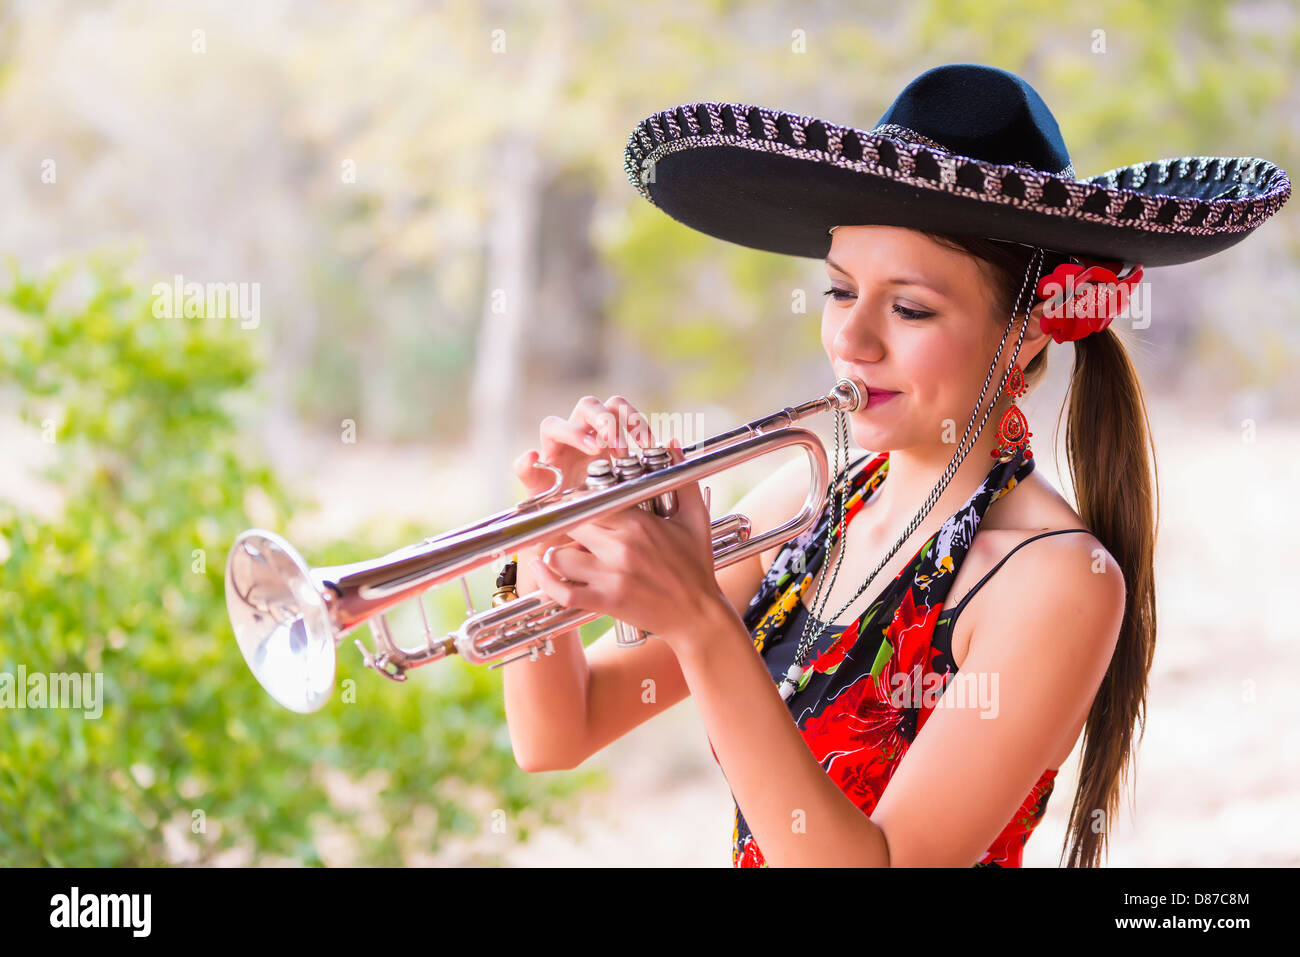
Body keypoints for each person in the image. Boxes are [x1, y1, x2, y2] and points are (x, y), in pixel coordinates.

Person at [500, 63, 1291, 867]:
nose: (851, 339)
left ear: (1027, 330)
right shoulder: (806, 503)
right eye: (841, 293)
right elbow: (559, 729)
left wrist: (701, 619)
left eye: (908, 308)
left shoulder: (1058, 580)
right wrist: (550, 529)